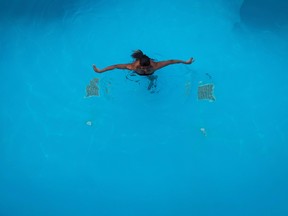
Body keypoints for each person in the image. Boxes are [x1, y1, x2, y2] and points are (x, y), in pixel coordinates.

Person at [92, 50, 194, 76]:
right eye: (143, 68)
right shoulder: (132, 67)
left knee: (152, 78)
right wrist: (100, 71)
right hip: (136, 71)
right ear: (139, 65)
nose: (145, 70)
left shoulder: (155, 66)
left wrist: (186, 62)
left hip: (151, 72)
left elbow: (171, 61)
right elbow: (115, 66)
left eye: (147, 67)